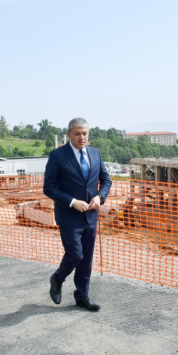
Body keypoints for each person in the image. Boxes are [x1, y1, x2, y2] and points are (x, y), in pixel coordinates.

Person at [44, 117, 112, 311]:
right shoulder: (57, 156)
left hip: (91, 216)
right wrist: (72, 202)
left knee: (87, 259)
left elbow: (106, 180)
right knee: (75, 254)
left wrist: (100, 197)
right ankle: (57, 278)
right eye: (77, 133)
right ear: (68, 134)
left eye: (85, 133)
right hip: (69, 216)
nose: (81, 137)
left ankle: (82, 296)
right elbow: (49, 188)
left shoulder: (95, 154)